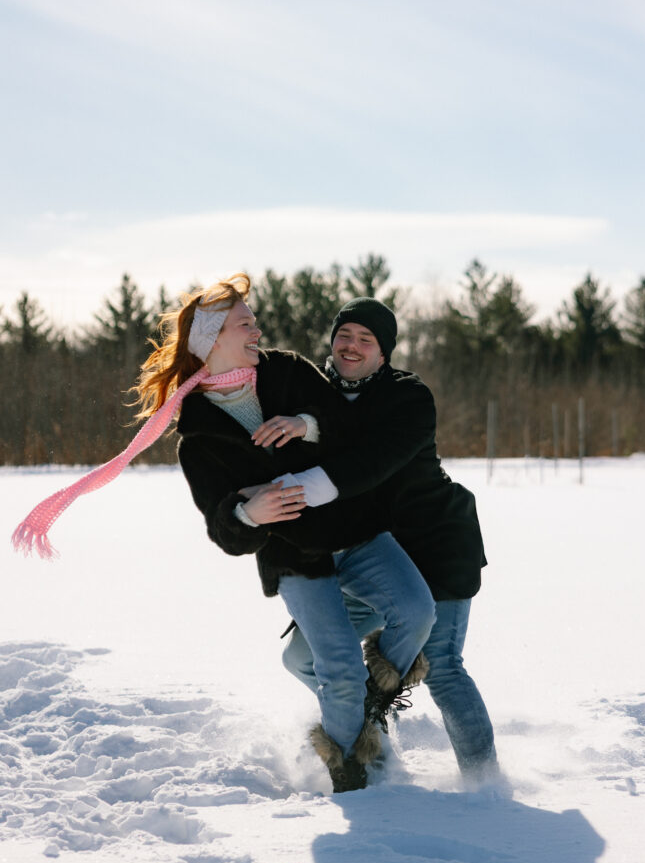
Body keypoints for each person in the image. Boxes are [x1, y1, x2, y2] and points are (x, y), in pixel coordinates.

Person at [11, 275, 435, 795]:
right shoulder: (198, 438)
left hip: (356, 529)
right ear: (211, 341)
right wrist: (249, 512)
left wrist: (307, 423)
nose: (258, 329)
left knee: (418, 610)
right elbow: (224, 529)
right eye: (245, 324)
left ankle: (373, 703)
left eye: (254, 321)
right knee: (341, 672)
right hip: (296, 557)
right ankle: (352, 780)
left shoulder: (289, 371)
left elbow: (352, 430)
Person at [280, 297, 499, 785]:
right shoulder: (313, 392)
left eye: (366, 339)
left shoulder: (407, 395)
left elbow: (369, 458)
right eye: (345, 335)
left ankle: (486, 786)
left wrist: (309, 427)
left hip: (434, 545)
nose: (352, 346)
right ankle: (368, 733)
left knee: (442, 665)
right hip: (371, 553)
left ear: (385, 353)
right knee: (301, 657)